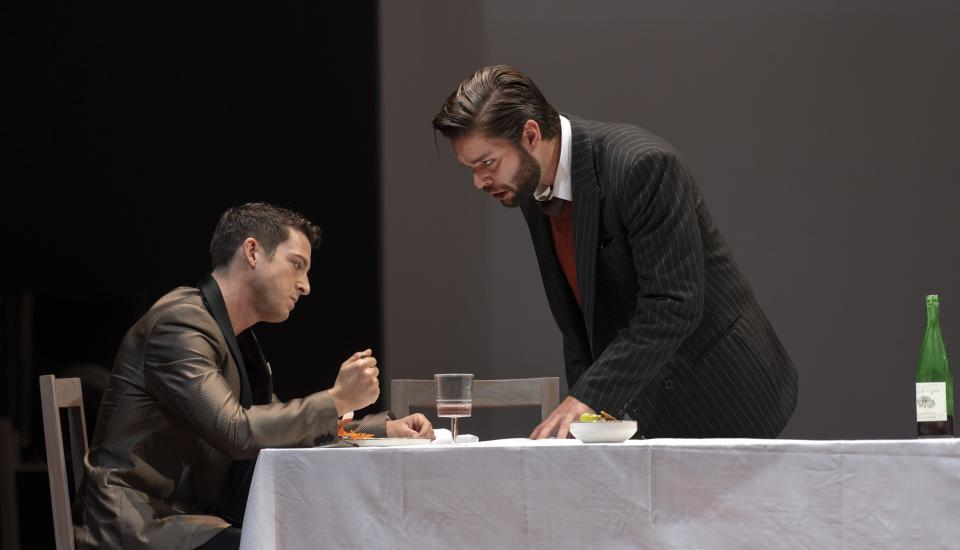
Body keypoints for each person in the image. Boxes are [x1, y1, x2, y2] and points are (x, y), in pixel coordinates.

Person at [432, 65, 798, 440]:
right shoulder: (528, 183)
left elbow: (673, 303)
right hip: (642, 398)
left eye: (487, 163)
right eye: (470, 168)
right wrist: (582, 418)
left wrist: (589, 397)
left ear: (530, 135)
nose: (479, 181)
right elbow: (577, 323)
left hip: (722, 388)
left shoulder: (641, 165)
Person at [72, 202, 433, 550]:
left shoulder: (235, 337)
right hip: (137, 526)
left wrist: (380, 430)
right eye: (296, 265)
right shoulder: (180, 324)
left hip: (185, 518)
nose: (305, 285)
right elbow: (237, 431)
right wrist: (337, 399)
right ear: (252, 252)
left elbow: (283, 430)